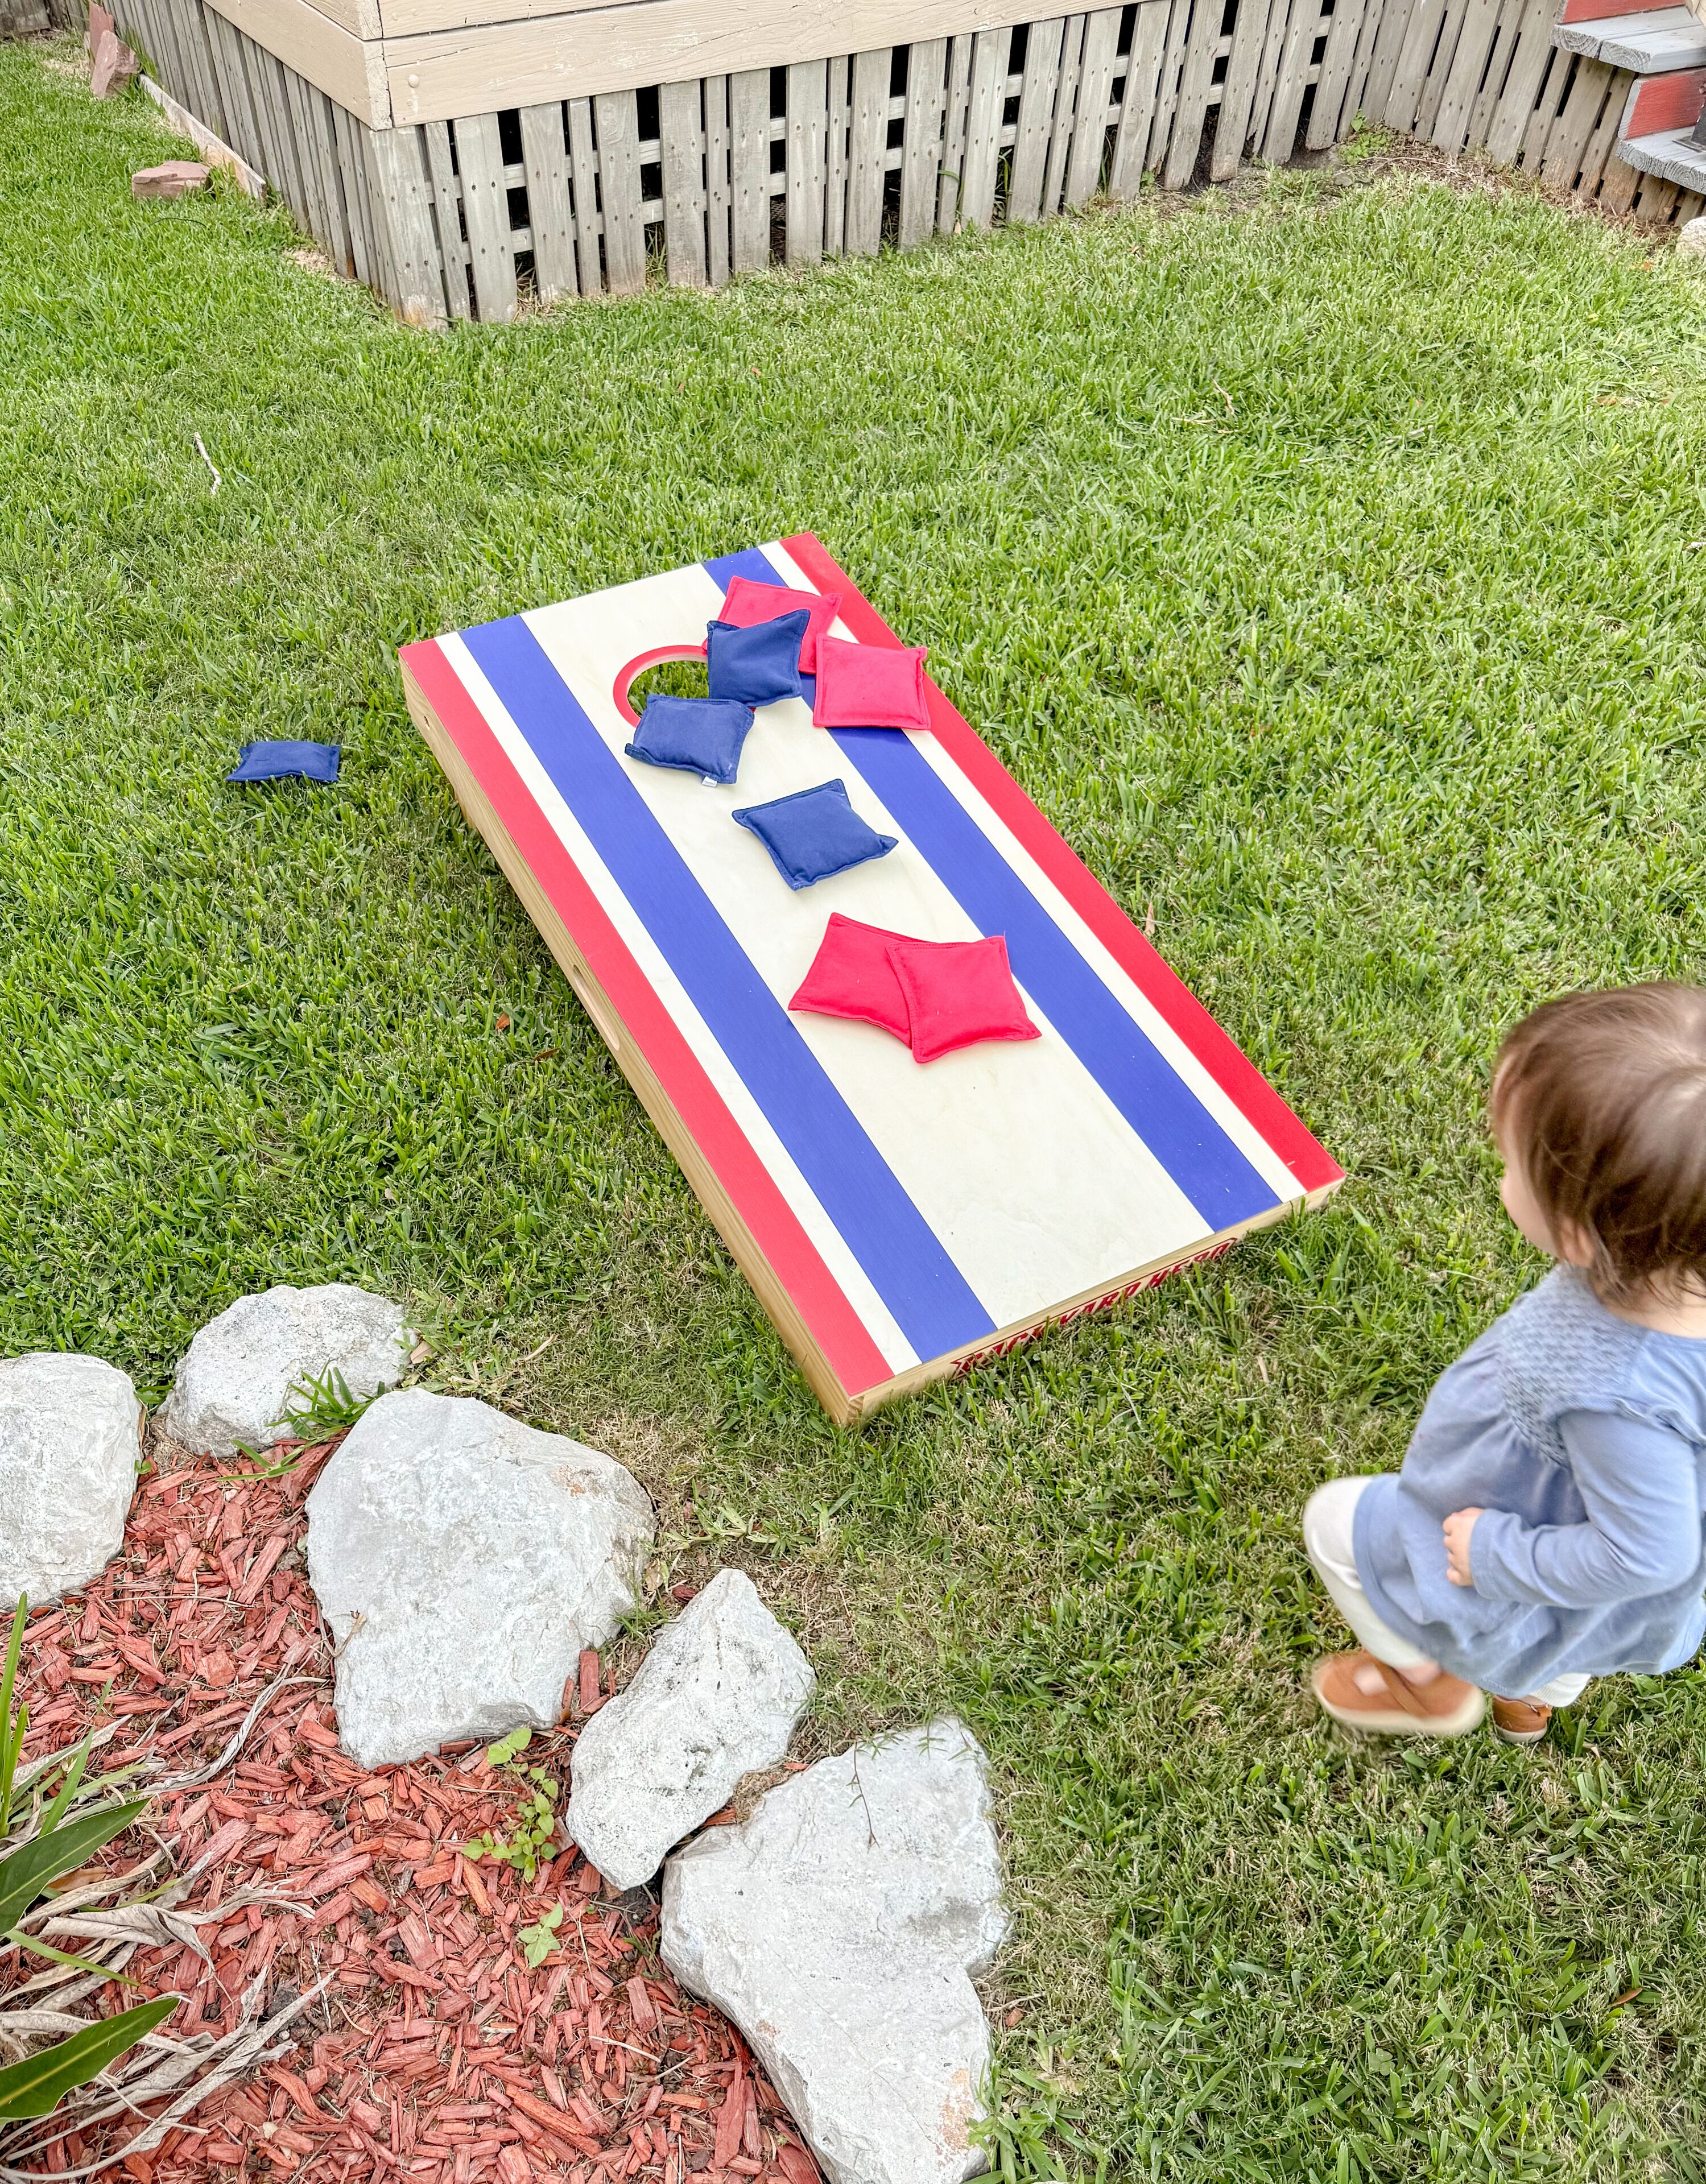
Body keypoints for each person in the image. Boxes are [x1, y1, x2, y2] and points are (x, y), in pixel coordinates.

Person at [1304, 983, 1706, 1745]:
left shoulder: (1617, 1396)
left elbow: (1648, 1556)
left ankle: (1429, 1687)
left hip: (1516, 1534)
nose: (1499, 1177)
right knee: (1572, 1641)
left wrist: (1494, 1553)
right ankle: (1531, 1703)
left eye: (1511, 1165)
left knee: (1334, 1526)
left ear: (1581, 1237)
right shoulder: (1678, 1269)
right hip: (1590, 1583)